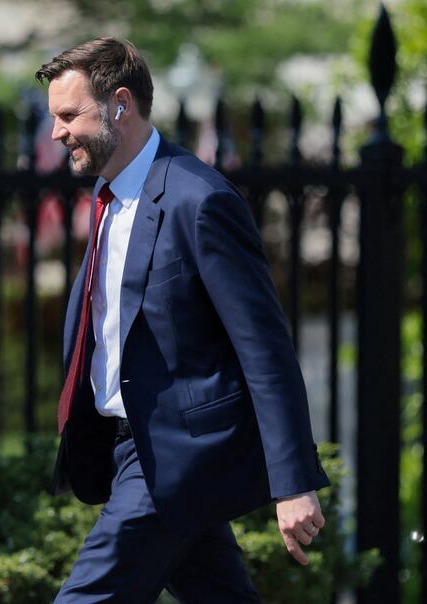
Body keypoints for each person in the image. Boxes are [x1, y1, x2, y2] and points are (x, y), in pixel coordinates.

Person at [36, 37, 331, 603]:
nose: (56, 134)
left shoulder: (200, 199)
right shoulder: (109, 199)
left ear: (120, 104)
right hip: (131, 449)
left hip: (169, 457)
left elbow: (263, 348)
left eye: (69, 116)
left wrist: (293, 483)